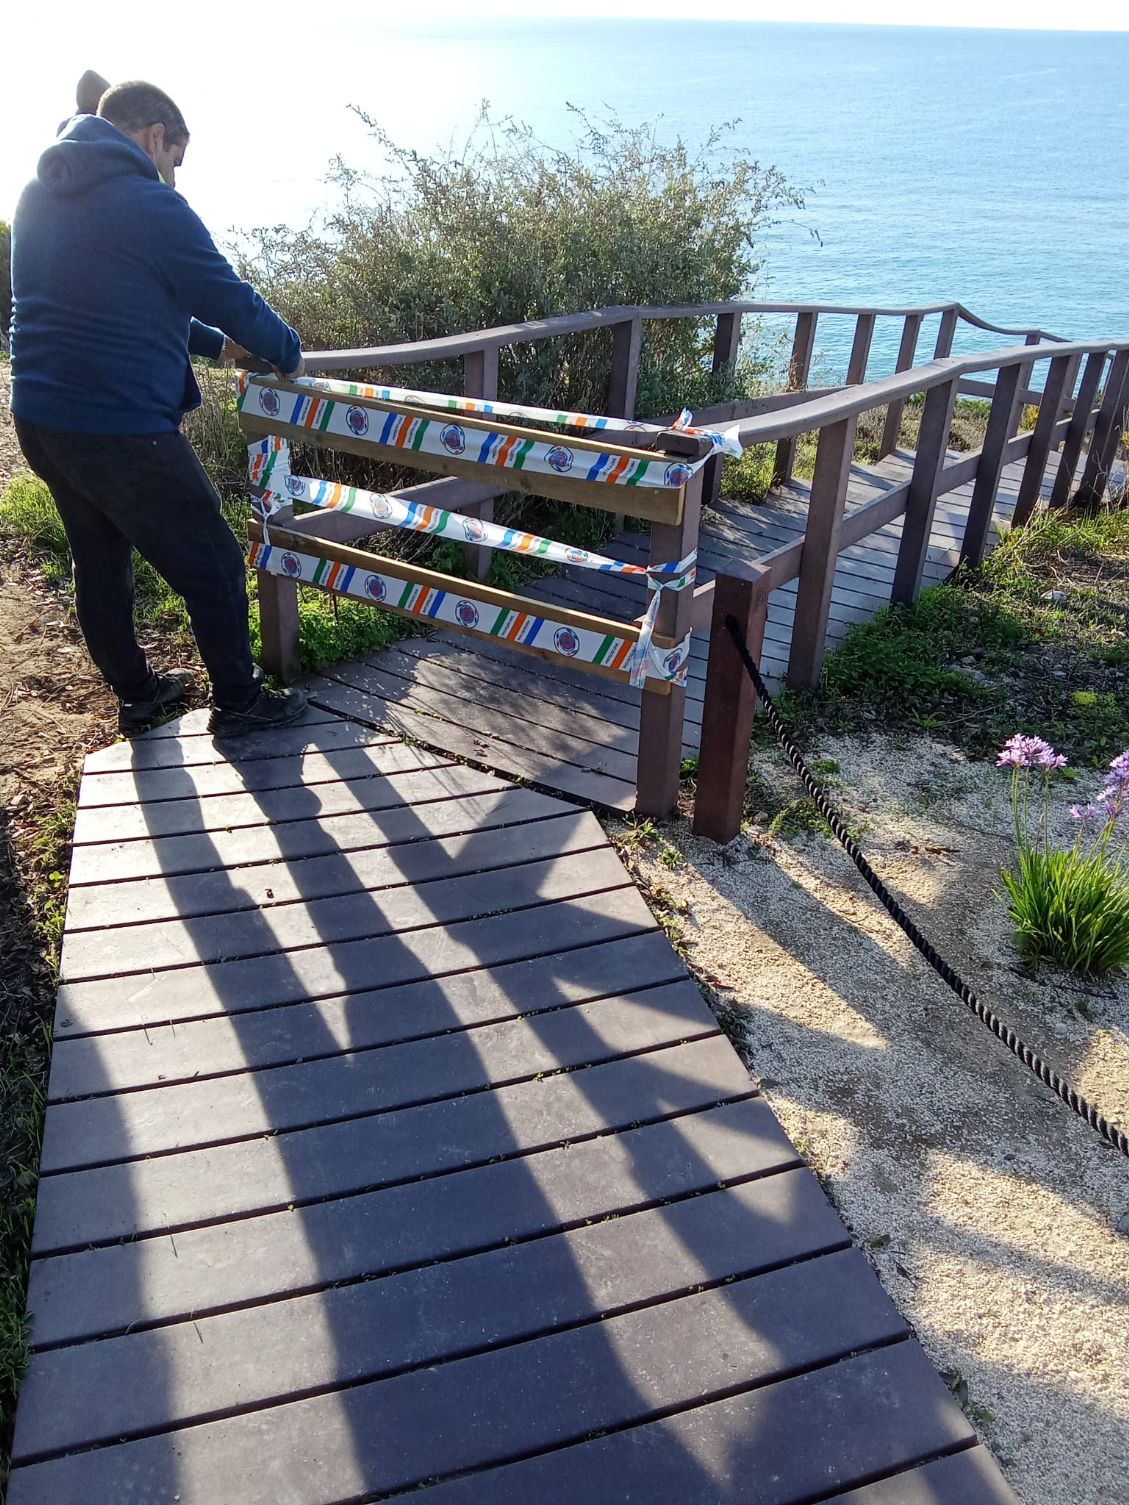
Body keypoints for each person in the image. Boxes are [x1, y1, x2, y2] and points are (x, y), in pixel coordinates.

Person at [9, 79, 309, 736]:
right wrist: (286, 351)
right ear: (153, 139)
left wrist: (214, 349)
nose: (172, 175)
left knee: (99, 557)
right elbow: (226, 294)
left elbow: (115, 297)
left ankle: (138, 693)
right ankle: (240, 701)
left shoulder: (42, 190)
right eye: (174, 157)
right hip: (118, 428)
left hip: (40, 415)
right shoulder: (149, 203)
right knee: (215, 563)